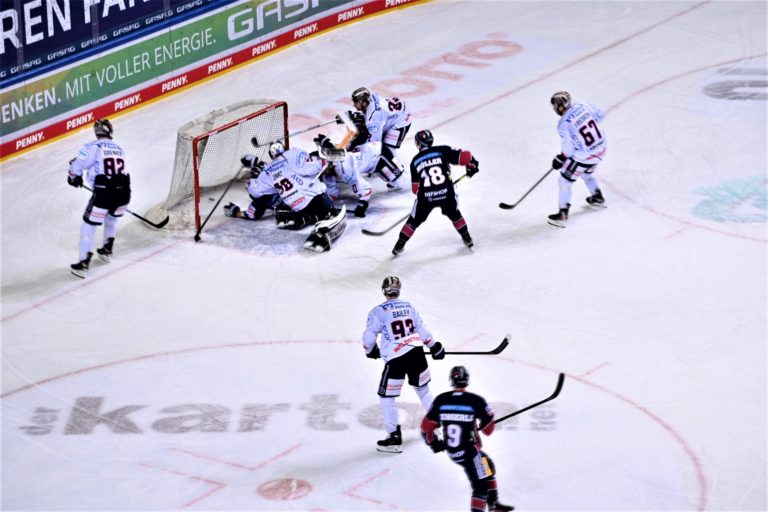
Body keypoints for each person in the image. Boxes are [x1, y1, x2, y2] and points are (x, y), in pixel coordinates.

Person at [362, 276, 445, 453]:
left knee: (387, 397)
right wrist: (434, 347)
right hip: (416, 353)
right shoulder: (409, 307)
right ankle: (439, 424)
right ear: (399, 290)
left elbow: (369, 337)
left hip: (396, 358)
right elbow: (421, 330)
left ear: (384, 290)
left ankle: (394, 437)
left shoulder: (378, 311)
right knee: (423, 391)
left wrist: (370, 351)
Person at [421, 366, 514, 512]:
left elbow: (426, 427)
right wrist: (488, 420)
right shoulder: (476, 401)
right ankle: (489, 505)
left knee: (488, 465)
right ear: (467, 380)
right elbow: (488, 431)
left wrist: (434, 443)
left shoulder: (441, 399)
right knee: (480, 485)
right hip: (470, 452)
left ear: (452, 381)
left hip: (453, 452)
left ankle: (494, 505)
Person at [391, 129, 479, 256]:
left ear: (419, 144)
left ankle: (399, 245)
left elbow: (415, 189)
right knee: (455, 214)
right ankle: (467, 237)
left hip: (426, 198)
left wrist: (430, 192)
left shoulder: (414, 161)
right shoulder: (443, 150)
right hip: (447, 193)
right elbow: (466, 156)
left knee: (413, 221)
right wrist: (472, 165)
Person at [67, 119, 131, 278]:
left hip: (104, 193)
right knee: (112, 219)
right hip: (124, 192)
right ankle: (107, 249)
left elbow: (77, 165)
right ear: (110, 132)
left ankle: (82, 264)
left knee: (88, 227)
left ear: (97, 133)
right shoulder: (120, 148)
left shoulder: (92, 147)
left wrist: (73, 176)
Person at [261, 141, 346, 252]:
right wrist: (324, 158)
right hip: (313, 199)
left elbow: (257, 191)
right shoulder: (293, 153)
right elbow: (312, 168)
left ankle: (294, 216)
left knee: (292, 199)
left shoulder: (267, 170)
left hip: (293, 205)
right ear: (284, 148)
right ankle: (319, 236)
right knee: (332, 212)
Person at [547, 91, 607, 227]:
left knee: (564, 181)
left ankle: (562, 213)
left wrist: (560, 158)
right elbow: (600, 114)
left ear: (561, 106)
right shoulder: (582, 105)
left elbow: (568, 150)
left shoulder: (563, 124)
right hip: (601, 149)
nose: (555, 109)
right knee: (587, 173)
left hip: (584, 157)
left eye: (556, 106)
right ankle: (597, 197)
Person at [349, 87, 412, 190]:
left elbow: (375, 144)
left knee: (387, 148)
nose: (354, 105)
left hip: (402, 120)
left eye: (356, 102)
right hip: (396, 114)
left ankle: (399, 174)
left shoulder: (373, 117)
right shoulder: (371, 99)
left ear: (364, 102)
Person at [315, 133, 375, 217]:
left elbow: (365, 189)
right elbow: (332, 193)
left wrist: (362, 205)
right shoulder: (328, 172)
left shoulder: (347, 169)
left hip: (373, 154)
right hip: (353, 156)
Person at [223, 154, 282, 221]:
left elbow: (251, 215)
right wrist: (256, 163)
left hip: (280, 204)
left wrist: (235, 212)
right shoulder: (277, 175)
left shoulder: (262, 199)